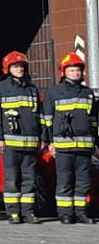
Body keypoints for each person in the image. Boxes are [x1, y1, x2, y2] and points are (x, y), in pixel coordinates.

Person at [0, 51, 45, 224]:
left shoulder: (32, 89)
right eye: (15, 66)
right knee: (11, 180)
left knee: (30, 180)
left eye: (21, 66)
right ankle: (13, 212)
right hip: (10, 144)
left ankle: (28, 212)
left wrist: (43, 138)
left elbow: (40, 117)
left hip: (31, 144)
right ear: (8, 69)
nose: (19, 69)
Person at [45, 52, 94, 225]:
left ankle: (81, 213)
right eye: (72, 70)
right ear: (63, 72)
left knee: (83, 182)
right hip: (64, 146)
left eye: (78, 70)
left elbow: (94, 120)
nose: (76, 73)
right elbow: (47, 120)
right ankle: (65, 214)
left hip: (85, 146)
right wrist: (49, 142)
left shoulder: (88, 93)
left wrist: (95, 142)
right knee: (64, 181)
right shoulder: (54, 92)